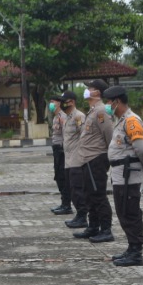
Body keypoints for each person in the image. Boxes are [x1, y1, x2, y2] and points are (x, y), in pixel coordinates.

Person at [104, 85, 143, 266]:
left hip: (128, 174)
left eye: (109, 102)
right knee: (123, 212)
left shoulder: (131, 121)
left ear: (117, 101)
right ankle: (131, 247)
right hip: (119, 174)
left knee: (130, 212)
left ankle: (136, 251)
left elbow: (141, 149)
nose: (108, 105)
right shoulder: (121, 120)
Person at [72, 81, 115, 243]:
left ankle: (106, 229)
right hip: (87, 160)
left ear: (97, 93)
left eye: (90, 89)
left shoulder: (102, 111)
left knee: (98, 195)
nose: (86, 91)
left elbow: (109, 135)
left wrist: (107, 157)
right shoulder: (93, 111)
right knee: (89, 195)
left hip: (96, 159)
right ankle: (93, 226)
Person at [57, 91, 88, 231]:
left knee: (78, 189)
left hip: (77, 160)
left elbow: (85, 136)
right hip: (68, 160)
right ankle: (78, 215)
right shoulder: (68, 118)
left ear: (72, 102)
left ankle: (82, 216)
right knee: (71, 188)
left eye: (65, 101)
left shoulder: (78, 116)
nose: (63, 104)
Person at [49, 97, 72, 215]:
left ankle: (67, 205)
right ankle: (64, 203)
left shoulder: (62, 117)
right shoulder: (55, 117)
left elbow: (65, 134)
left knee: (62, 177)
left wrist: (64, 150)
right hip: (56, 149)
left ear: (58, 103)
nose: (51, 104)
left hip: (61, 150)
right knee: (58, 176)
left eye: (52, 102)